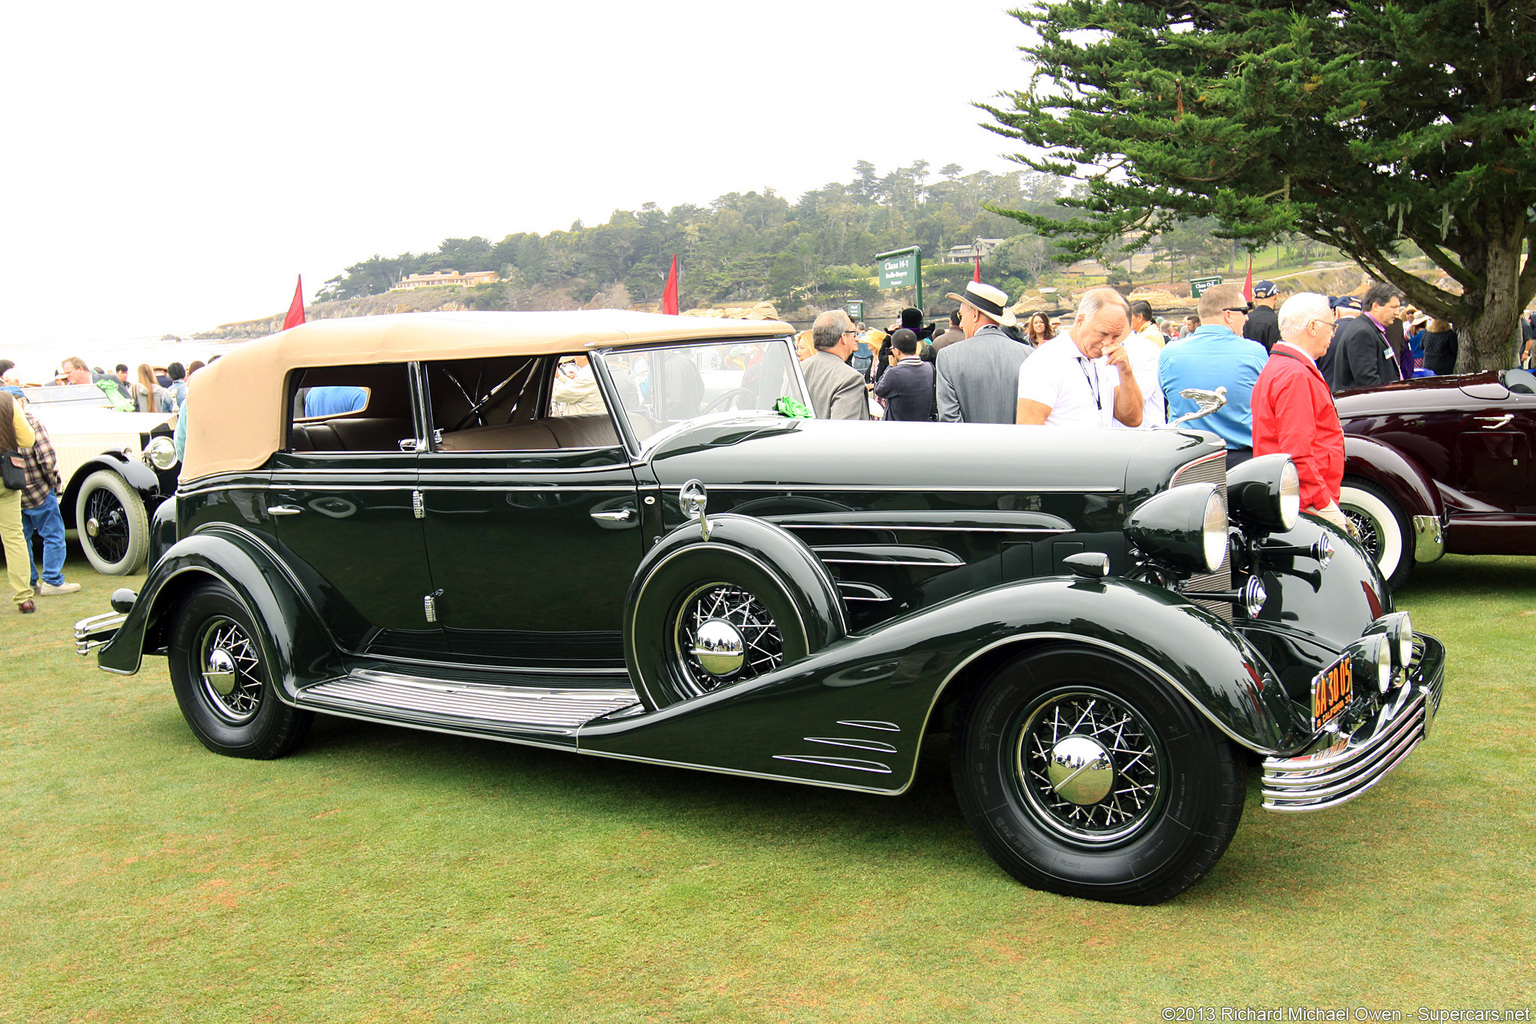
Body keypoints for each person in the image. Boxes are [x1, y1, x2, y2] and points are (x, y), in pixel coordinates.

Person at [1251, 292, 1350, 534]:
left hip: (1294, 495)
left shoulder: (1284, 367)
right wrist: (1323, 503)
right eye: (1331, 325)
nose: (1333, 333)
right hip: (1303, 501)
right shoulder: (1295, 374)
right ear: (1313, 327)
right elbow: (1297, 451)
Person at [1158, 282, 1267, 468]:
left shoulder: (1169, 353)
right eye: (1244, 311)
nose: (1247, 318)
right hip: (1242, 458)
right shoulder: (1254, 352)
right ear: (1228, 315)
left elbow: (1167, 396)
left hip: (1186, 458)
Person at [1016, 288, 1144, 428]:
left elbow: (1133, 419)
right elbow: (1028, 432)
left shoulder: (1105, 359)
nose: (1107, 343)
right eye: (1103, 333)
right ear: (1080, 321)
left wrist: (1125, 371)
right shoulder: (1045, 362)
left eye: (1116, 336)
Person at [935, 281, 1033, 424]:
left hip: (970, 446)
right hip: (1016, 445)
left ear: (975, 314)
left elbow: (950, 420)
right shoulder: (1029, 355)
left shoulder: (948, 357)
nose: (961, 324)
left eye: (961, 316)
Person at [17, 403, 80, 596]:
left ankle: (29, 580)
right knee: (53, 534)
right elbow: (46, 458)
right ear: (20, 402)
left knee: (21, 538)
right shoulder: (32, 423)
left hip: (15, 492)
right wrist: (54, 482)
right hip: (39, 489)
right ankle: (52, 580)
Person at [1328, 281, 1404, 391]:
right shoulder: (1363, 333)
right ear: (1376, 306)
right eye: (1393, 307)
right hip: (1370, 404)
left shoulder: (1369, 328)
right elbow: (1368, 381)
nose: (1397, 313)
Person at [1, 390, 38, 612]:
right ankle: (23, 597)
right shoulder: (8, 401)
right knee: (14, 537)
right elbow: (27, 439)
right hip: (5, 476)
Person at [800, 310, 871, 420]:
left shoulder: (796, 371)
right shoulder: (850, 379)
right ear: (843, 337)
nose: (857, 338)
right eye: (854, 333)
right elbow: (843, 432)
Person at [874, 329, 935, 421]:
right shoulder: (929, 368)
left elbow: (879, 390)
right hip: (922, 424)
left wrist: (890, 366)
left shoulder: (894, 373)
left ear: (897, 351)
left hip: (899, 428)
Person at [1243, 280, 1282, 352]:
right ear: (1275, 296)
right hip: (1268, 362)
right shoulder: (1277, 321)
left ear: (1255, 299)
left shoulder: (1245, 319)